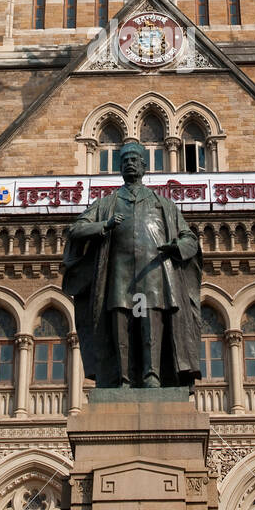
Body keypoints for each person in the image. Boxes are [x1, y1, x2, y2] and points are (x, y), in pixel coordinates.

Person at [62, 141, 201, 388]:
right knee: (121, 323)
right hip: (118, 273)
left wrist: (177, 247)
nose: (129, 163)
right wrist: (104, 226)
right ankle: (122, 378)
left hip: (155, 273)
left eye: (134, 159)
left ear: (144, 166)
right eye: (124, 160)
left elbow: (189, 237)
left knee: (151, 324)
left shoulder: (164, 205)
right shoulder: (106, 204)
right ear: (120, 168)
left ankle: (152, 375)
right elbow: (75, 229)